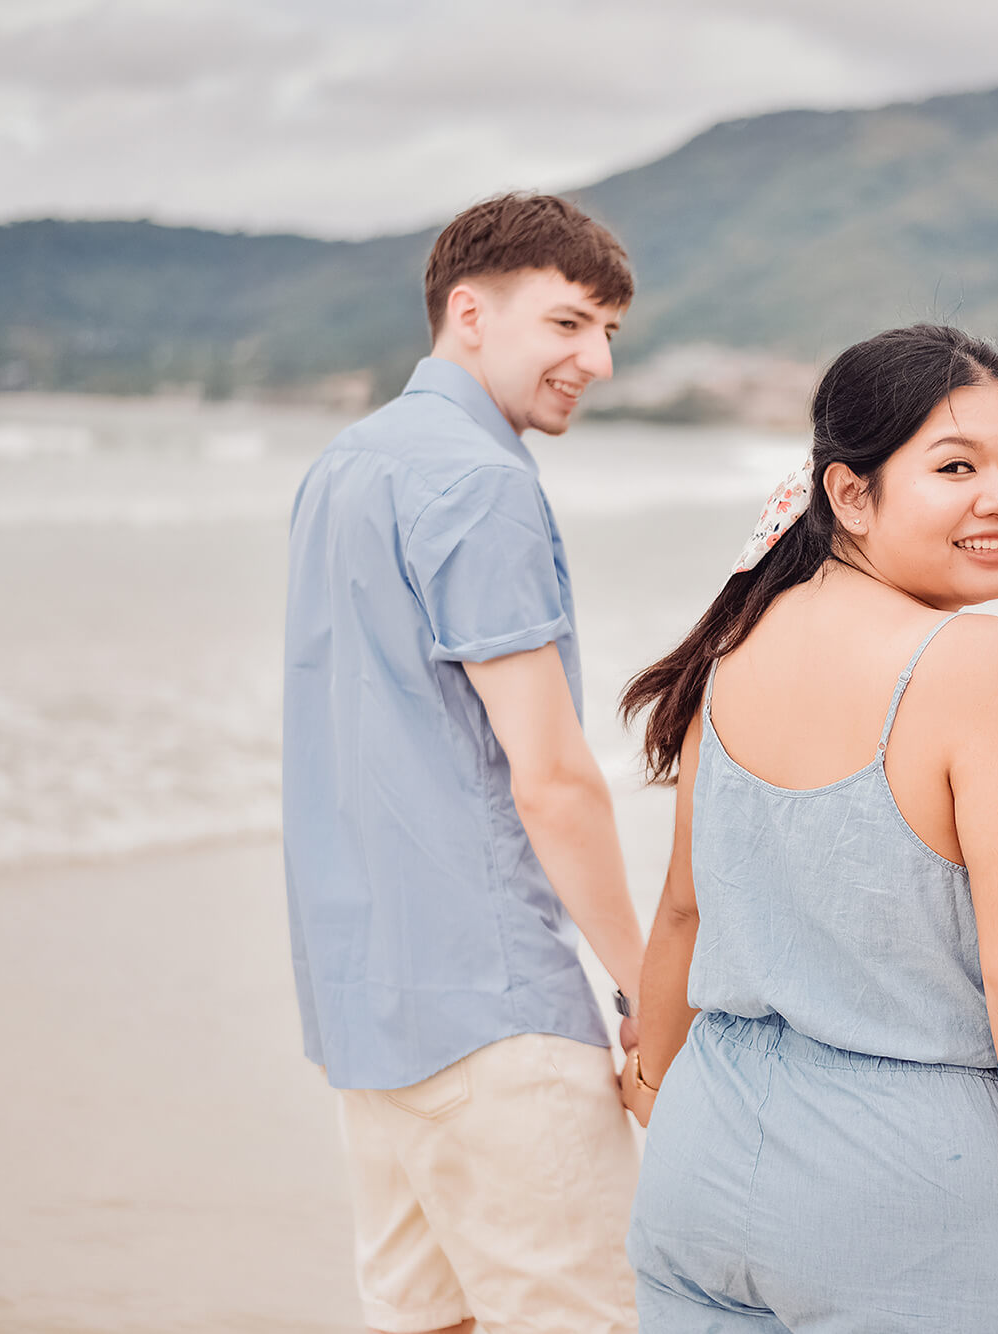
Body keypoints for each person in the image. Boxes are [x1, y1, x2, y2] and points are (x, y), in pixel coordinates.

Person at [617, 325, 998, 1331]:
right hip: (906, 1188)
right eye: (955, 465)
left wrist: (655, 1086)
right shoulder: (981, 664)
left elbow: (680, 911)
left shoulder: (734, 641)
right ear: (848, 492)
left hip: (700, 1159)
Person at [282, 193, 646, 1334]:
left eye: (607, 334)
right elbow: (549, 772)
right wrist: (647, 982)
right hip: (493, 1014)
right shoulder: (478, 481)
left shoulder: (343, 466)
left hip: (363, 1013)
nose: (593, 359)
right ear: (470, 312)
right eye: (569, 323)